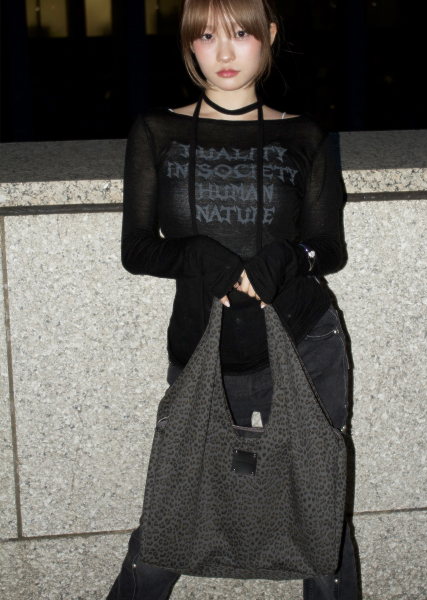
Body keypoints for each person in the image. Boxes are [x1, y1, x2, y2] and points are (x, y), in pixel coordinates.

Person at [106, 0, 358, 599]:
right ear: (189, 44)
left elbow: (329, 248)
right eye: (206, 36)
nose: (223, 52)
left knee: (321, 511)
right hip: (204, 350)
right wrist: (198, 255)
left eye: (241, 33)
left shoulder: (304, 135)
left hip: (305, 343)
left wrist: (288, 259)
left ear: (269, 35)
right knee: (169, 514)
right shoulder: (156, 132)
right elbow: (137, 249)